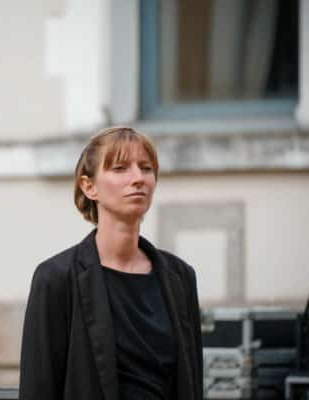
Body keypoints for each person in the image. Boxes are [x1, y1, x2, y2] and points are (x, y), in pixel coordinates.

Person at [19, 127, 203, 400]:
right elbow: (38, 388)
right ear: (89, 186)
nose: (138, 178)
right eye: (120, 168)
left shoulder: (180, 276)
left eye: (146, 168)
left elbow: (192, 383)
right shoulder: (56, 278)